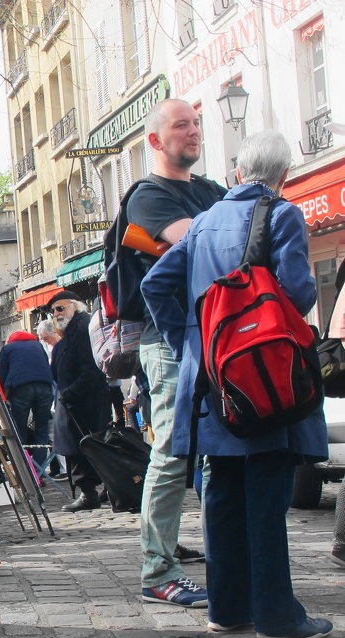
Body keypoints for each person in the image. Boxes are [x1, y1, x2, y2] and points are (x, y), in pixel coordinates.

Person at [142, 130, 333, 638]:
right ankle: (277, 615)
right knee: (267, 495)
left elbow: (154, 283)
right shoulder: (282, 214)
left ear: (235, 173)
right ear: (284, 175)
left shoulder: (203, 222)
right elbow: (296, 291)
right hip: (265, 373)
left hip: (211, 378)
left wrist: (190, 340)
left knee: (222, 494)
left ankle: (227, 609)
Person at [127, 99, 226, 606]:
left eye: (196, 123)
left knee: (216, 454)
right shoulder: (148, 197)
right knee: (170, 452)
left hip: (215, 334)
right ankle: (157, 571)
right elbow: (209, 245)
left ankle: (226, 561)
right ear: (155, 140)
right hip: (167, 341)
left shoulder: (211, 191)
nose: (193, 131)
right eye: (181, 125)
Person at [47, 291, 109, 511]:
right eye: (53, 311)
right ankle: (101, 490)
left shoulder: (82, 328)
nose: (56, 314)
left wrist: (71, 392)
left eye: (60, 308)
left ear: (75, 306)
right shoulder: (72, 331)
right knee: (85, 447)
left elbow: (90, 368)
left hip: (82, 401)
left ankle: (90, 493)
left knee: (86, 447)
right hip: (75, 399)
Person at [0, 329, 53, 448]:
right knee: (42, 431)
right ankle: (39, 466)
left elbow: (3, 374)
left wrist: (4, 396)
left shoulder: (8, 348)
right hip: (45, 387)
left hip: (20, 388)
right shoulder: (38, 346)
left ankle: (24, 464)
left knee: (19, 431)